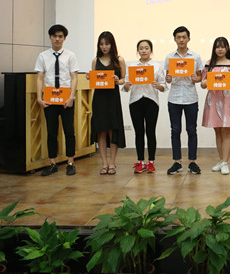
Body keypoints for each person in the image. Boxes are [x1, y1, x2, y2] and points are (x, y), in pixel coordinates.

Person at [35, 24, 80, 176]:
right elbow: (40, 78)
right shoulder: (43, 56)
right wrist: (39, 98)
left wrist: (72, 97)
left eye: (60, 36)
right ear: (50, 37)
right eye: (54, 36)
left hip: (66, 99)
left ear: (64, 38)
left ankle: (70, 162)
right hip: (49, 100)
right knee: (51, 132)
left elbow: (74, 77)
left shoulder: (70, 55)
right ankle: (52, 163)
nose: (57, 39)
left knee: (69, 131)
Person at [201, 37, 230, 175]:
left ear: (227, 48)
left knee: (226, 131)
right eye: (217, 47)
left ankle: (225, 162)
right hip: (213, 99)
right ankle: (221, 160)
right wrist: (206, 82)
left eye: (222, 46)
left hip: (228, 99)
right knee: (217, 131)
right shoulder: (209, 64)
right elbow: (202, 84)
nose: (220, 49)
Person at [164, 26, 203, 175]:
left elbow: (200, 77)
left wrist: (196, 78)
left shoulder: (195, 56)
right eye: (178, 37)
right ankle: (177, 162)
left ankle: (192, 162)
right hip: (174, 97)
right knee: (175, 130)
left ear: (188, 39)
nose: (181, 40)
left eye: (184, 37)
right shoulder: (169, 57)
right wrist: (168, 78)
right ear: (174, 39)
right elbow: (168, 77)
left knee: (191, 130)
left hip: (190, 97)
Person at [123, 40, 166, 174]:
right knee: (139, 132)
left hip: (151, 101)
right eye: (141, 48)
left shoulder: (156, 66)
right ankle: (140, 161)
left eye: (146, 48)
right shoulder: (132, 67)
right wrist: (127, 85)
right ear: (138, 51)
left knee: (150, 132)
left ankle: (151, 162)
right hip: (135, 101)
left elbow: (164, 86)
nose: (144, 50)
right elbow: (125, 87)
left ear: (151, 50)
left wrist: (158, 86)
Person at [89, 31, 127, 175]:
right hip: (99, 99)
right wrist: (89, 77)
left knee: (113, 130)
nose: (104, 47)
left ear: (112, 44)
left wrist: (118, 81)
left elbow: (124, 79)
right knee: (101, 131)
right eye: (101, 44)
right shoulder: (95, 60)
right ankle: (104, 163)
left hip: (113, 98)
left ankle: (112, 163)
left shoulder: (119, 60)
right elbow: (94, 78)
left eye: (107, 44)